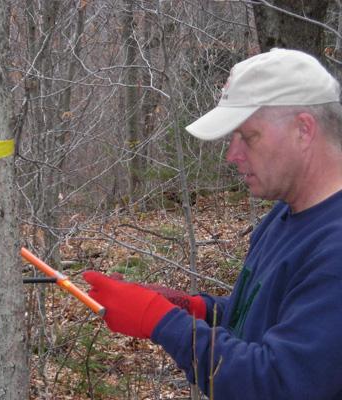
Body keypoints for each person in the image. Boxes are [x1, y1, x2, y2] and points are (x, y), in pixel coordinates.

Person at [83, 48, 342, 399]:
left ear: (303, 129)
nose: (232, 154)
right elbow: (263, 318)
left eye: (247, 137)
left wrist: (163, 322)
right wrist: (198, 309)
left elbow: (278, 383)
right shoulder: (285, 215)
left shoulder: (335, 248)